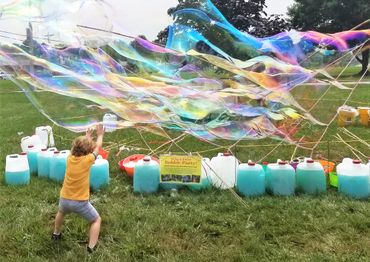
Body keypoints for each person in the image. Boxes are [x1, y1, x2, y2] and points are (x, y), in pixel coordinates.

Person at [52, 124, 105, 253]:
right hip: (79, 202)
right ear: (88, 152)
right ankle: (91, 247)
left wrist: (87, 136)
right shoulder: (87, 160)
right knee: (96, 220)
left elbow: (80, 148)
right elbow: (98, 148)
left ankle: (56, 234)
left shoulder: (69, 158)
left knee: (61, 212)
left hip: (64, 199)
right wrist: (100, 135)